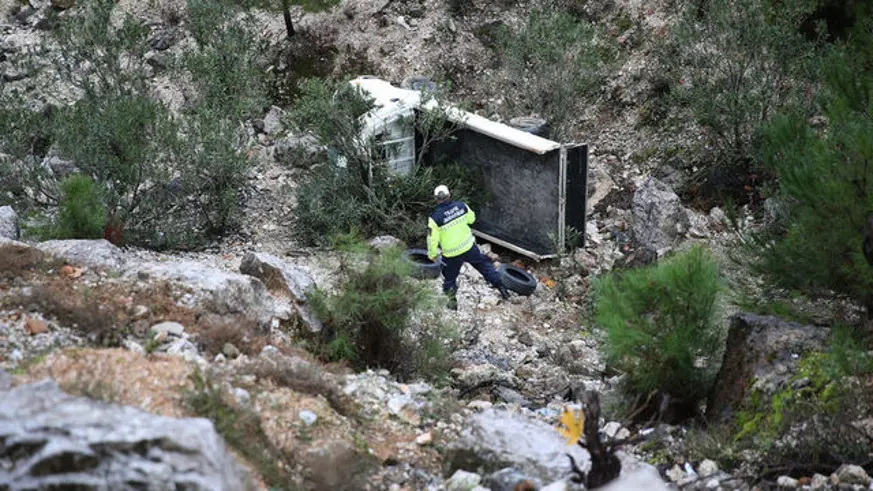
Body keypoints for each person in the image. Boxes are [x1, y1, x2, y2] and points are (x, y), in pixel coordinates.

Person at [428, 184, 509, 310]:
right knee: (484, 265)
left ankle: (452, 303)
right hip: (469, 247)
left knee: (449, 278)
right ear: (449, 195)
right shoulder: (461, 206)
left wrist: (432, 255)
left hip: (451, 254)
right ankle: (502, 288)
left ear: (435, 199)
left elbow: (432, 239)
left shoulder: (434, 218)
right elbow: (472, 219)